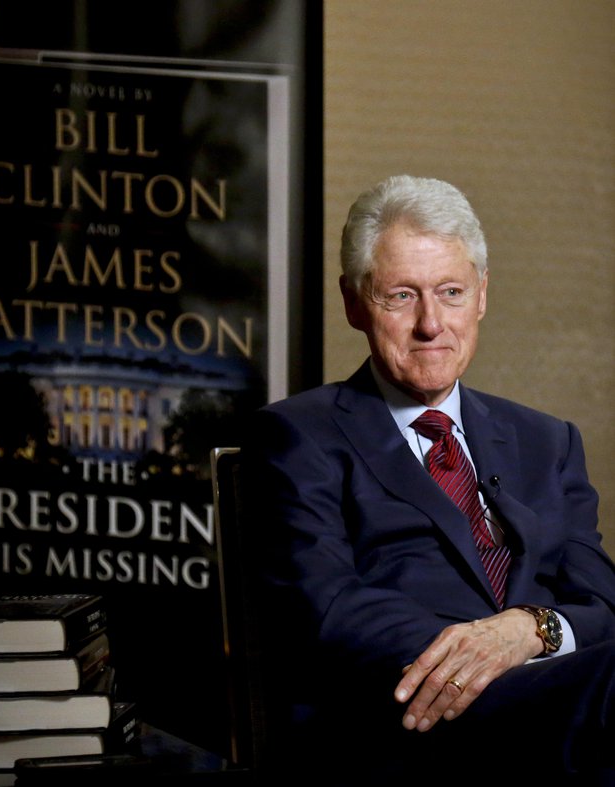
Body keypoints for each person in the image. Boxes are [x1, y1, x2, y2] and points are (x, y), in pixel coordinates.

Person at [241, 175, 615, 786]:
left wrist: (528, 632)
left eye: (451, 292)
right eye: (400, 296)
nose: (431, 324)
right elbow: (328, 605)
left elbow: (602, 603)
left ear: (483, 296)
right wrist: (474, 658)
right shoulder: (297, 435)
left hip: (562, 704)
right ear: (354, 302)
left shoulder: (546, 441)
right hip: (409, 730)